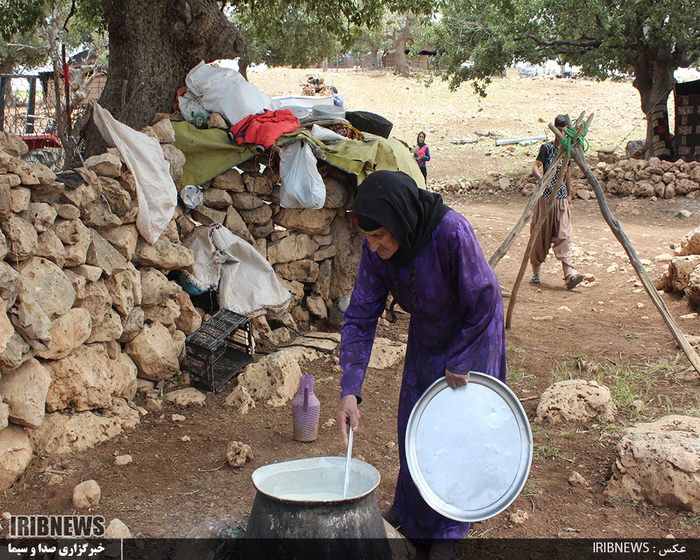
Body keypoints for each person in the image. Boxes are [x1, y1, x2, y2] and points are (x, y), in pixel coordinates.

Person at [336, 170, 506, 560]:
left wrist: (461, 358)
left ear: (399, 220)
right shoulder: (376, 251)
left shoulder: (451, 232)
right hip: (428, 334)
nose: (374, 246)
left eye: (380, 236)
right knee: (415, 424)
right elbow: (361, 316)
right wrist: (350, 389)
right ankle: (412, 516)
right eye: (369, 238)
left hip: (474, 332)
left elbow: (484, 297)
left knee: (457, 430)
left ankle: (448, 529)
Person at [530, 114, 585, 289]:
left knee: (564, 236)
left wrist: (569, 194)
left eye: (564, 131)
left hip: (561, 199)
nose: (561, 134)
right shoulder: (546, 148)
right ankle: (536, 274)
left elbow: (567, 173)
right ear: (554, 130)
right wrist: (541, 180)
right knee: (540, 235)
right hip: (545, 199)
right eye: (559, 131)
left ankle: (569, 275)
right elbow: (535, 166)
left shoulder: (567, 150)